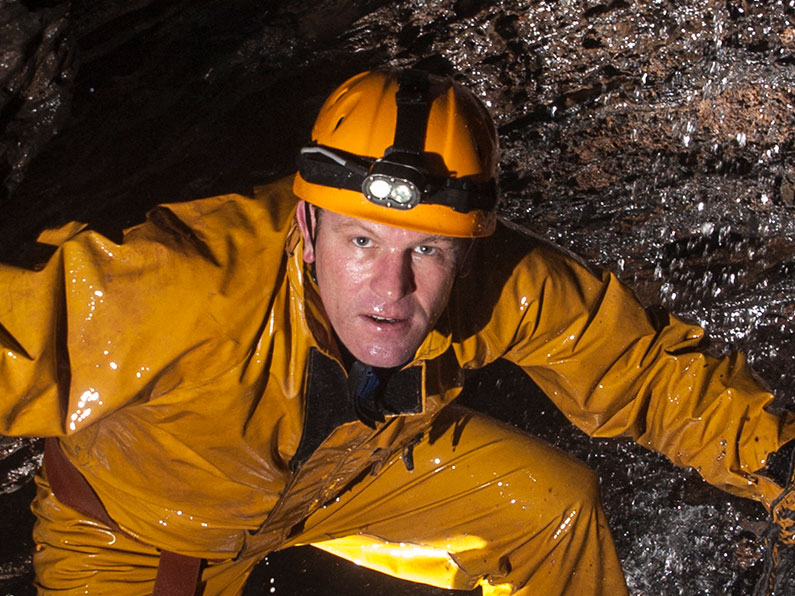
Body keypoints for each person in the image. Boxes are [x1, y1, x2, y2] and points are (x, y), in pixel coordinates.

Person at [1, 68, 794, 596]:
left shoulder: (497, 279)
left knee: (553, 506)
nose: (392, 289)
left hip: (343, 480)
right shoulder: (183, 286)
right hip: (142, 533)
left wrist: (778, 464)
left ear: (466, 246)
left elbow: (642, 368)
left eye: (427, 251)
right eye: (360, 242)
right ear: (306, 227)